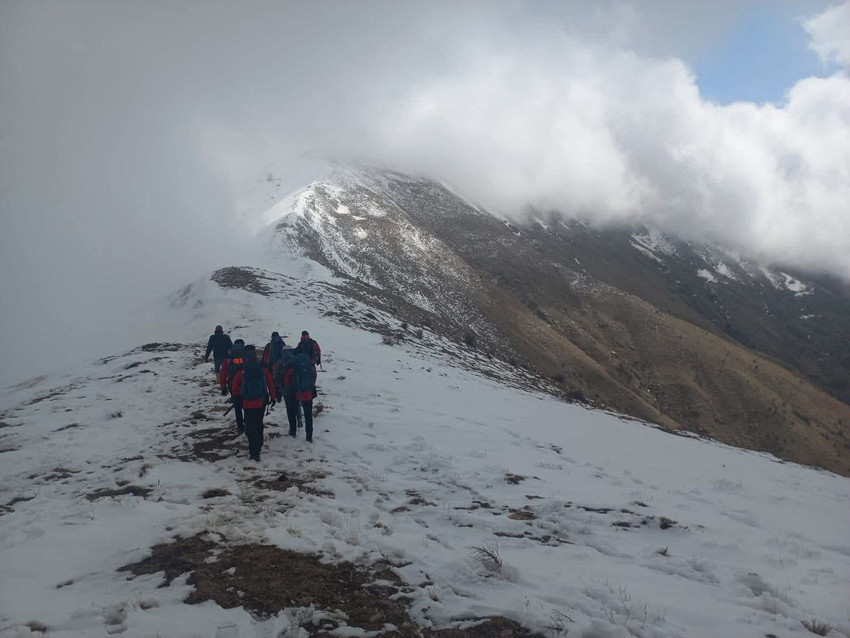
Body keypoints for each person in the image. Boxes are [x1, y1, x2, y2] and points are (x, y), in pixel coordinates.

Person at [230, 346, 276, 462]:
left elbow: (235, 388)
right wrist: (273, 396)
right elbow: (270, 383)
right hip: (261, 401)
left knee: (251, 427)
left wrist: (238, 397)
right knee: (259, 422)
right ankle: (259, 444)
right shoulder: (261, 369)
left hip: (247, 403)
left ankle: (254, 453)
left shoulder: (242, 371)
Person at [283, 349, 317, 442]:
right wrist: (311, 387)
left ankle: (293, 431)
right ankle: (309, 436)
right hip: (308, 394)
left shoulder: (292, 367)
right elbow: (314, 377)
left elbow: (287, 381)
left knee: (292, 411)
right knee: (308, 415)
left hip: (296, 394)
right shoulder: (310, 366)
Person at [220, 339, 246, 433]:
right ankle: (248, 422)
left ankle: (240, 426)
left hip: (232, 384)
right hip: (245, 383)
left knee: (237, 405)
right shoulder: (247, 356)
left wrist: (223, 387)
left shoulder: (228, 359)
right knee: (246, 404)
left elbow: (223, 374)